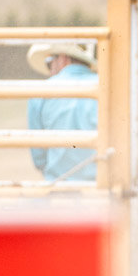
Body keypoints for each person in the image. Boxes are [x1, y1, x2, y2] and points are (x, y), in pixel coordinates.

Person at [26, 43, 99, 182]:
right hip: (100, 183)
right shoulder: (104, 85)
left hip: (59, 183)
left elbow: (38, 156)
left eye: (49, 63)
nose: (50, 71)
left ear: (63, 59)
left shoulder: (40, 91)